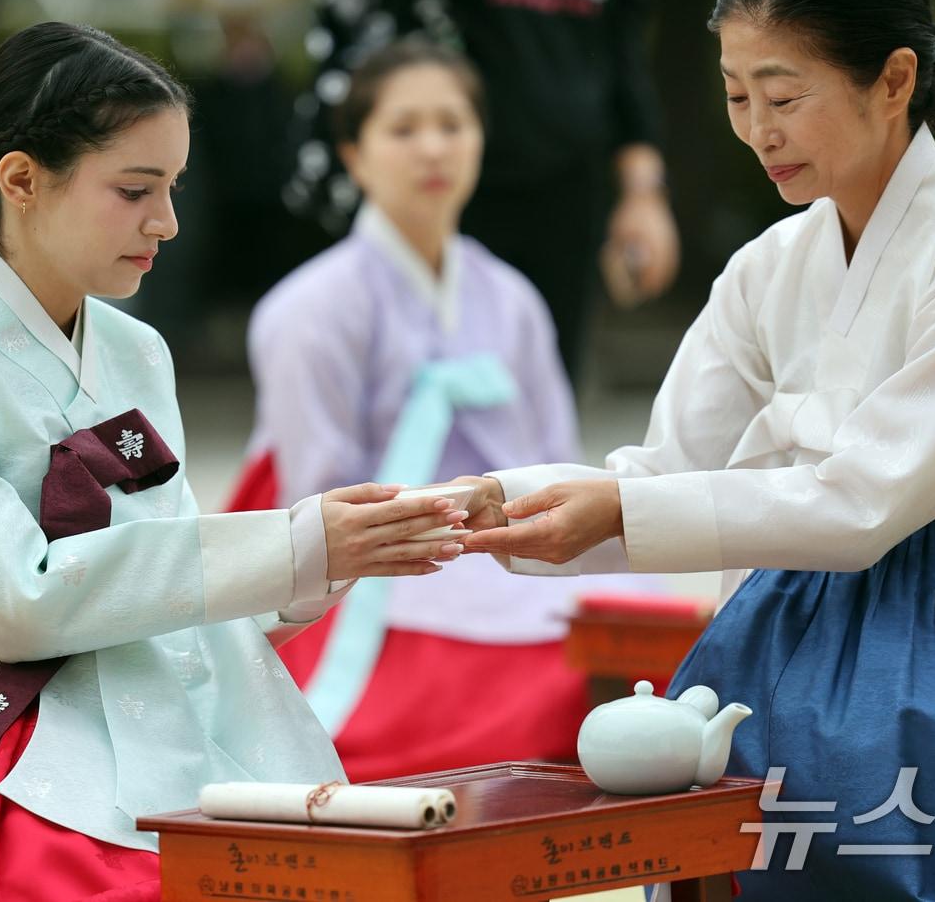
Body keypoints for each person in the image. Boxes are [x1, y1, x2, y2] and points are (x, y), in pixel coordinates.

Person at [455, 0, 935, 900]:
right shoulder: (766, 268)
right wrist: (498, 501)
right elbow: (660, 472)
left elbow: (859, 504)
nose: (756, 130)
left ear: (893, 81)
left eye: (782, 96)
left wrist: (617, 512)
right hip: (811, 590)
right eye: (736, 97)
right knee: (736, 820)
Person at [0, 22, 469, 901]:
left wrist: (323, 559)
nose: (165, 222)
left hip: (127, 692)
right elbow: (20, 599)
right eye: (134, 189)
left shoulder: (134, 350)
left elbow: (158, 596)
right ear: (21, 178)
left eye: (171, 188)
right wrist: (291, 543)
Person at [234, 38, 665, 781]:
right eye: (403, 129)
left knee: (663, 651)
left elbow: (554, 459)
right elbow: (314, 487)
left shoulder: (513, 299)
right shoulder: (308, 307)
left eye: (452, 124)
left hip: (511, 546)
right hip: (378, 560)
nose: (432, 147)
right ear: (354, 154)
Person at [360, 0, 681, 381]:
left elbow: (626, 68)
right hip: (448, 184)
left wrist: (643, 195)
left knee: (548, 374)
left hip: (567, 190)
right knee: (437, 377)